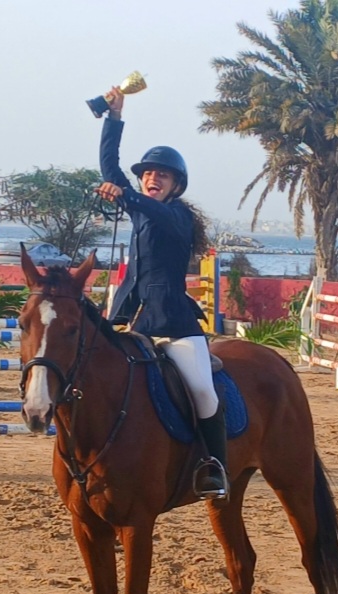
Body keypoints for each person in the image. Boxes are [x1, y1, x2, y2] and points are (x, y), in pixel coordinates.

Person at [94, 86, 228, 500]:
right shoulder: (141, 209)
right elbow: (110, 168)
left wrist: (127, 194)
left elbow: (145, 205)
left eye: (162, 175)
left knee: (202, 391)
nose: (154, 178)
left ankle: (215, 465)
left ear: (176, 186)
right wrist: (114, 117)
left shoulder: (177, 217)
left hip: (174, 324)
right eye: (148, 174)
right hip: (132, 319)